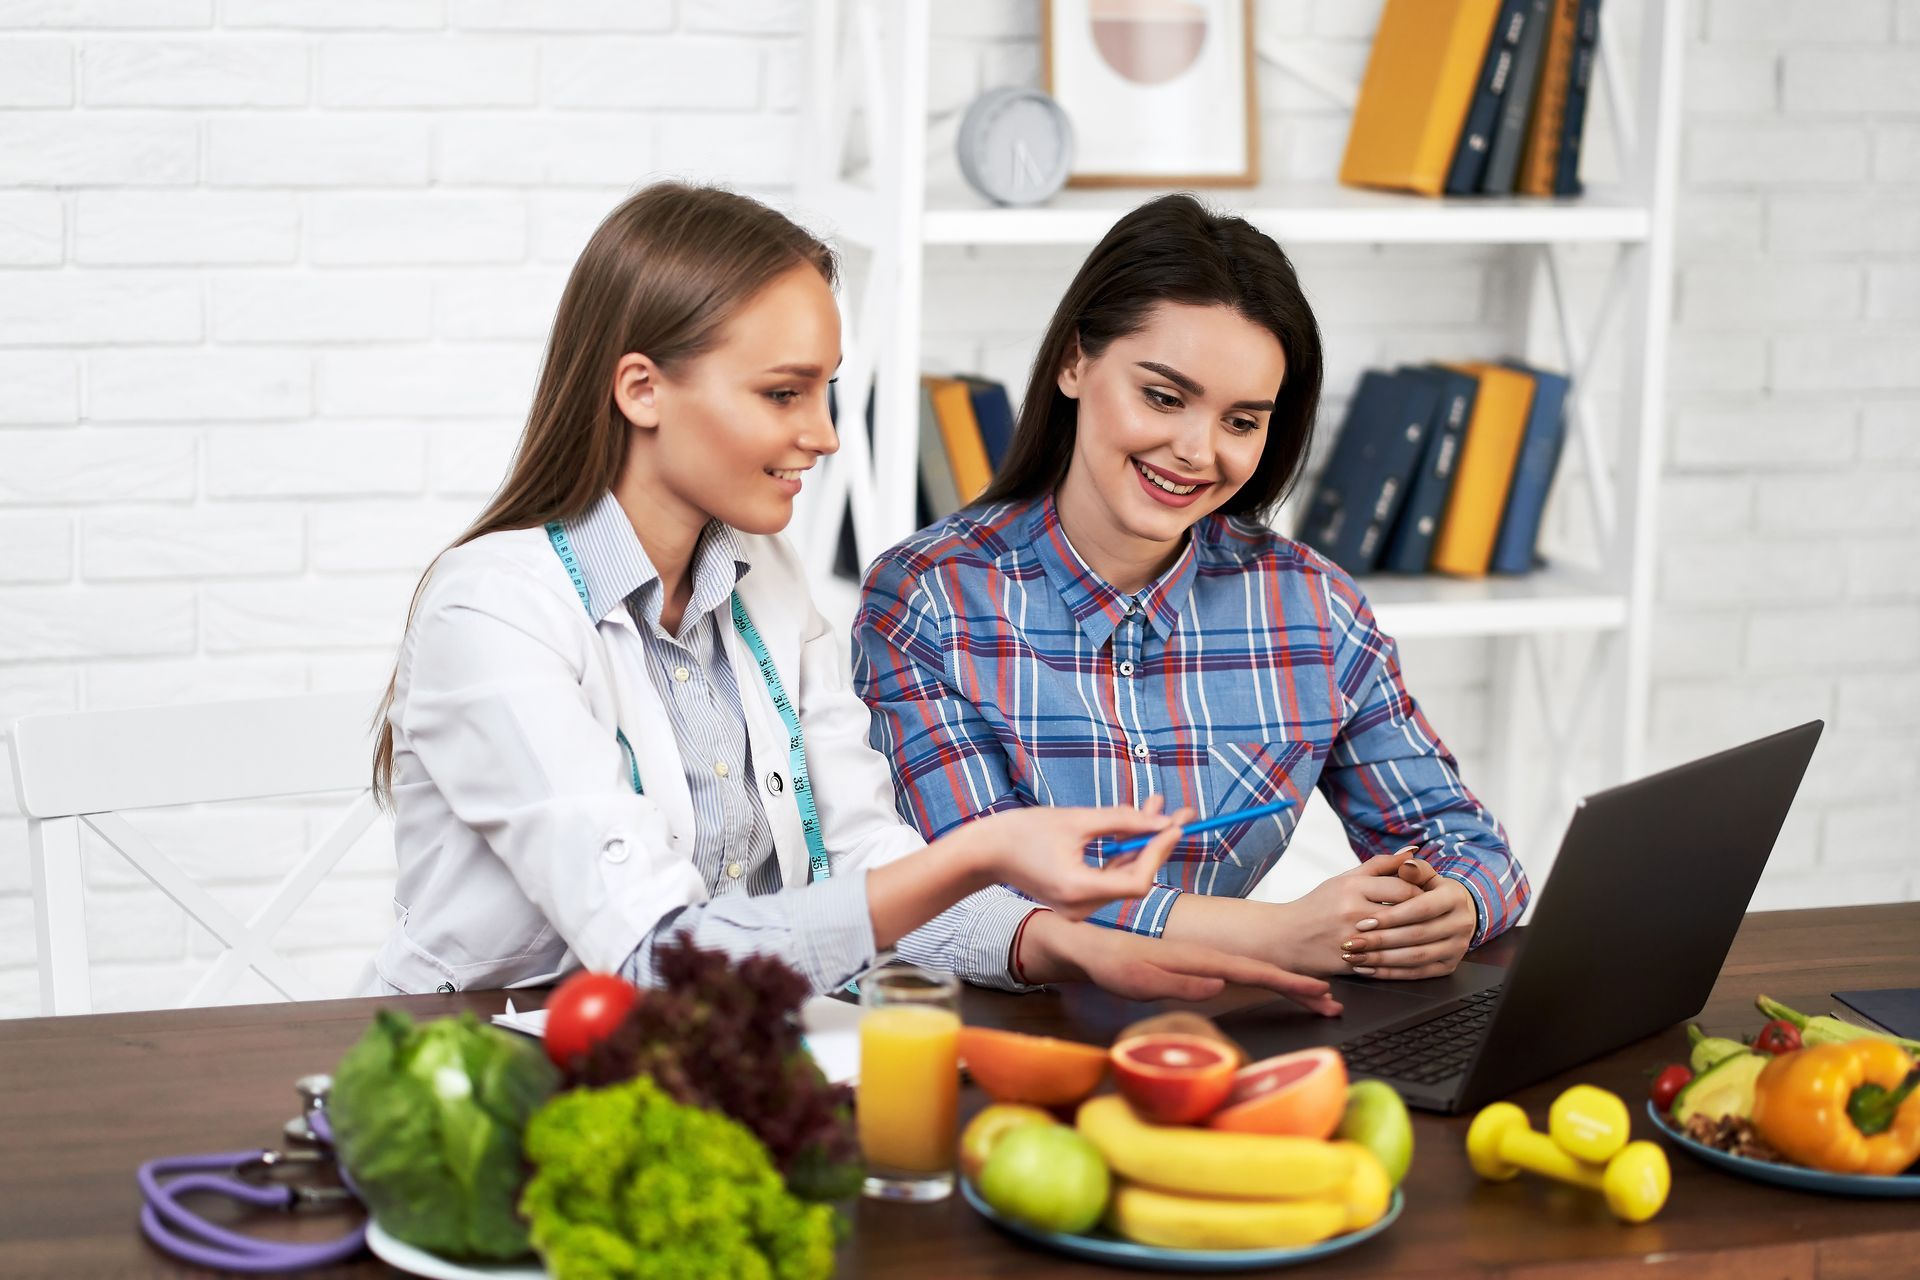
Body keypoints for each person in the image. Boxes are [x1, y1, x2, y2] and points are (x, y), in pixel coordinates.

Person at [363, 181, 1339, 1013]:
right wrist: (981, 852)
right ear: (642, 389)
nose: (827, 434)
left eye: (829, 391)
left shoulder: (762, 580)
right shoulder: (491, 609)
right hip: (483, 1081)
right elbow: (661, 957)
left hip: (715, 1064)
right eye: (785, 393)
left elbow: (863, 858)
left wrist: (1055, 941)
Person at [853, 193, 1531, 995]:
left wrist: (1450, 905)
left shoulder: (1311, 609)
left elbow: (1471, 848)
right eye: (1165, 398)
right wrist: (1280, 934)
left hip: (1223, 1038)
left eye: (1241, 422)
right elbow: (980, 901)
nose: (1195, 451)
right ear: (1075, 362)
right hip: (1001, 1044)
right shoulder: (931, 600)